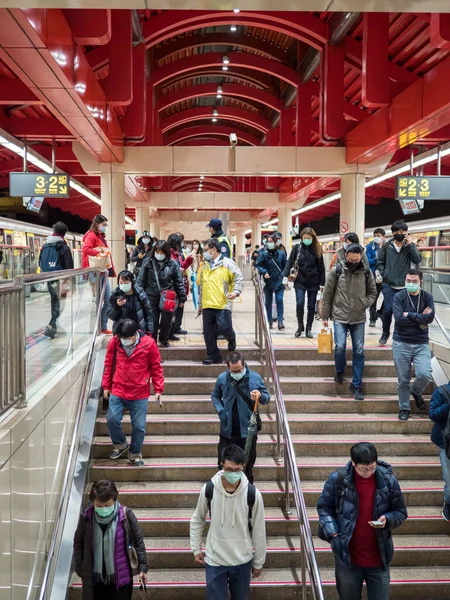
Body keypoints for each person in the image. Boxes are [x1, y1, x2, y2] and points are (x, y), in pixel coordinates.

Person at [317, 442, 407, 600]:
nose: (369, 472)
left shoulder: (388, 480)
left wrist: (388, 519)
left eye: (372, 467)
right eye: (364, 468)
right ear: (353, 463)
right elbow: (324, 508)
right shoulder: (338, 479)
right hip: (348, 557)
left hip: (379, 557)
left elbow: (400, 512)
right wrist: (333, 535)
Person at [190, 444, 266, 600]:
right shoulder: (209, 489)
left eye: (238, 470)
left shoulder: (252, 494)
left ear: (243, 467)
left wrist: (259, 561)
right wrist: (196, 548)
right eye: (229, 469)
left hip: (242, 560)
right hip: (215, 559)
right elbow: (198, 519)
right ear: (222, 465)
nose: (233, 474)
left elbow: (259, 529)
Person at [102, 319, 164, 466]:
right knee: (112, 420)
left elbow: (156, 367)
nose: (124, 341)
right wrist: (106, 386)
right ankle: (120, 445)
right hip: (118, 389)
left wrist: (158, 389)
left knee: (138, 426)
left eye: (127, 338)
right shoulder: (114, 343)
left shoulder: (149, 344)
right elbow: (108, 364)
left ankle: (135, 454)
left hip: (139, 392)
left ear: (135, 334)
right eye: (121, 338)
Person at [73, 480, 148, 600]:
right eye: (98, 505)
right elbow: (78, 542)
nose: (103, 509)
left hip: (120, 579)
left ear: (114, 500)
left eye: (107, 505)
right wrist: (80, 568)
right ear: (93, 502)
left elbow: (138, 541)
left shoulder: (125, 515)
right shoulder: (86, 517)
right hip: (93, 580)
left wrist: (143, 568)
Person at [322, 244, 376, 401]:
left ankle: (357, 385)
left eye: (356, 259)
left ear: (360, 257)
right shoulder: (337, 271)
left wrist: (365, 303)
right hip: (339, 315)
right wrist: (325, 317)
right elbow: (327, 294)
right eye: (351, 259)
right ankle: (340, 370)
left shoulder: (366, 272)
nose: (354, 262)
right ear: (346, 256)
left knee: (359, 350)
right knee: (340, 347)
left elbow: (373, 292)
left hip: (358, 317)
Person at [211, 351, 270, 483]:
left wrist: (259, 396)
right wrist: (221, 411)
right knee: (223, 463)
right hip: (227, 430)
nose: (237, 373)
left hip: (248, 432)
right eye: (233, 371)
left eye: (239, 370)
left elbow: (267, 398)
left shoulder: (255, 378)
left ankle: (247, 494)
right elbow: (215, 395)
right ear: (228, 368)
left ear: (244, 365)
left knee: (247, 466)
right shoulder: (222, 379)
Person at [392, 269, 434, 421]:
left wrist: (408, 314)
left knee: (425, 374)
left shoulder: (427, 297)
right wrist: (420, 316)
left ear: (420, 282)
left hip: (421, 342)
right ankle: (404, 407)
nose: (411, 284)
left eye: (414, 282)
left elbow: (429, 318)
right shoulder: (399, 296)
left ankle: (416, 391)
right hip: (401, 342)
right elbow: (399, 319)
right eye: (408, 281)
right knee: (403, 379)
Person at [198, 238, 244, 365]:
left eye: (206, 250)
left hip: (223, 302)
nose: (204, 253)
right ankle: (214, 356)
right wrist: (200, 304)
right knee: (208, 333)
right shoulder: (205, 266)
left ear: (214, 249)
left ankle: (231, 338)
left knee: (224, 327)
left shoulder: (228, 263)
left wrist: (236, 292)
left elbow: (238, 278)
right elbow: (201, 286)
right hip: (208, 303)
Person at [376, 219, 422, 346]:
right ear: (393, 233)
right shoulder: (386, 246)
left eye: (402, 231)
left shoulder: (409, 247)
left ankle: (399, 334)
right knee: (389, 309)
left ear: (406, 233)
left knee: (401, 312)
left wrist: (411, 245)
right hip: (389, 284)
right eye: (397, 231)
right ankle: (385, 333)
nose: (399, 233)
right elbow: (379, 262)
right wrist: (385, 274)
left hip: (404, 285)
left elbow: (417, 259)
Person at [136, 240, 186, 348]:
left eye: (161, 252)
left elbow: (178, 282)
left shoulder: (172, 264)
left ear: (166, 252)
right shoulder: (147, 262)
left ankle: (163, 339)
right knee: (152, 321)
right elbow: (139, 282)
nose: (159, 254)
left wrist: (182, 298)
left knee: (167, 321)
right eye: (157, 252)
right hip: (151, 296)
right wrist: (140, 297)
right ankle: (152, 342)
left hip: (168, 297)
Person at [283, 227, 325, 338]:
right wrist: (284, 276)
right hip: (300, 280)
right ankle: (300, 326)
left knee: (311, 306)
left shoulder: (317, 249)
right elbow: (289, 262)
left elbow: (322, 268)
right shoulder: (297, 248)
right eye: (304, 238)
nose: (306, 240)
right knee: (300, 303)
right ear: (301, 238)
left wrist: (322, 283)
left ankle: (309, 328)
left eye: (308, 238)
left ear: (313, 238)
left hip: (313, 281)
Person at [39, 221, 74, 339]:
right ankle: (52, 324)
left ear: (53, 232)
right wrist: (69, 283)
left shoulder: (45, 246)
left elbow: (40, 262)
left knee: (54, 301)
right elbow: (69, 267)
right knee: (61, 303)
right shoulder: (63, 247)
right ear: (63, 234)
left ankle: (53, 325)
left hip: (49, 278)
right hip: (61, 279)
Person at [82, 214, 116, 335]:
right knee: (101, 300)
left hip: (102, 271)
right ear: (97, 224)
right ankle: (98, 326)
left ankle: (102, 326)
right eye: (104, 225)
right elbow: (86, 249)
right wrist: (99, 252)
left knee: (106, 299)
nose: (105, 227)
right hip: (96, 271)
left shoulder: (99, 236)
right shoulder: (91, 235)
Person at [256, 234, 287, 330]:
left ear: (275, 242)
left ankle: (280, 321)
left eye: (271, 241)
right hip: (268, 282)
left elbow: (285, 267)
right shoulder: (263, 254)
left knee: (279, 300)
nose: (269, 243)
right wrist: (264, 272)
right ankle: (269, 322)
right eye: (267, 241)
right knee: (268, 302)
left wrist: (283, 276)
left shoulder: (281, 254)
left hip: (279, 281)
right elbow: (258, 265)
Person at [429, 381, 450, 521]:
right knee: (449, 478)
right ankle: (448, 504)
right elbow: (433, 414)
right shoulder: (441, 392)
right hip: (446, 443)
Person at [108, 270, 154, 335]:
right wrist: (117, 306)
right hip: (121, 333)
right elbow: (111, 316)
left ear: (132, 282)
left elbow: (149, 315)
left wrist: (149, 331)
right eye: (121, 282)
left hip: (139, 331)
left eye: (126, 282)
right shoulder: (115, 295)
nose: (123, 284)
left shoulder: (140, 295)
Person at [167, 233, 194, 339]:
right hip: (171, 286)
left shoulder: (177, 254)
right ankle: (169, 333)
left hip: (178, 284)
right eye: (180, 242)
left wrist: (188, 261)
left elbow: (180, 267)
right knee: (171, 310)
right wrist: (178, 270)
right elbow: (170, 269)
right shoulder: (169, 254)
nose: (181, 245)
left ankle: (174, 328)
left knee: (178, 308)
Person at [366, 228, 386, 327]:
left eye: (378, 236)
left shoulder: (387, 247)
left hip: (386, 276)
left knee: (388, 297)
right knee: (374, 298)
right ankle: (372, 318)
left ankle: (381, 312)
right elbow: (367, 261)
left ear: (383, 237)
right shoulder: (369, 247)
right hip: (374, 276)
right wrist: (376, 259)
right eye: (375, 235)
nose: (376, 237)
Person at [191, 239, 204, 310]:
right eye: (193, 244)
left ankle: (201, 303)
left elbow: (202, 261)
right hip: (195, 271)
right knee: (195, 288)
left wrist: (199, 256)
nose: (195, 245)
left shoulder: (202, 252)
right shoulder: (192, 252)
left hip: (201, 271)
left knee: (201, 287)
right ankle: (197, 304)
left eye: (196, 243)